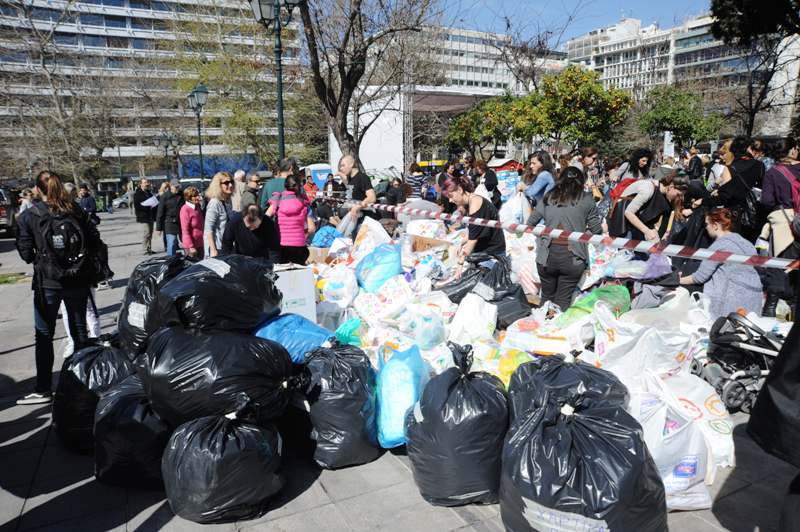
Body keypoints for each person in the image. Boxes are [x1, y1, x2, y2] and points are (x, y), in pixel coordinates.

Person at [15, 171, 102, 404]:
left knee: (44, 334)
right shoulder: (75, 210)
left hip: (48, 282)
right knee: (79, 330)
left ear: (37, 190)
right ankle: (85, 381)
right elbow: (93, 239)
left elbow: (25, 254)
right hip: (77, 280)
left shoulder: (29, 216)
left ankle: (44, 387)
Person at [527, 166, 603, 310]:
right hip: (572, 258)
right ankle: (554, 328)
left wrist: (545, 233)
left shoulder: (549, 196)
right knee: (562, 300)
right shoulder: (586, 198)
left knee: (546, 298)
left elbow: (530, 223)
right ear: (581, 181)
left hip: (546, 257)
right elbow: (597, 230)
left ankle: (542, 326)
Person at [679, 208, 763, 319]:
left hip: (731, 304)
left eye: (707, 224)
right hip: (754, 301)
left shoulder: (719, 245)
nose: (706, 228)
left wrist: (677, 280)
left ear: (715, 225)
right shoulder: (746, 243)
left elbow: (700, 277)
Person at [759, 137, 800, 316]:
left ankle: (772, 306)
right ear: (792, 150)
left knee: (778, 265)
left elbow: (767, 201)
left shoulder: (773, 173)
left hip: (784, 224)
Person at [443, 175, 505, 262]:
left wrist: (460, 264)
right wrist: (460, 243)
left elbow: (473, 240)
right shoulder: (471, 201)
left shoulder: (475, 203)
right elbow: (474, 232)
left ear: (460, 190)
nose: (450, 200)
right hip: (486, 251)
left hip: (493, 254)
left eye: (451, 196)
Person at [616, 172, 689, 241]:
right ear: (671, 187)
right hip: (621, 224)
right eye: (678, 195)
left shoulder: (665, 196)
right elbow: (629, 212)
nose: (680, 198)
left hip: (634, 227)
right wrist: (647, 231)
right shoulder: (648, 188)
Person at [268, 175, 316, 264]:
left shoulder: (277, 200)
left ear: (285, 186)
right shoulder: (304, 203)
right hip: (300, 247)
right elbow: (312, 229)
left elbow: (266, 218)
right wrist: (302, 237)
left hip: (282, 246)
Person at [338, 154, 376, 225]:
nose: (341, 168)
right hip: (354, 219)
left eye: (343, 165)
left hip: (364, 220)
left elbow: (372, 197)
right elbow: (350, 197)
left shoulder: (363, 177)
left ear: (351, 164)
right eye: (340, 166)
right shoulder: (349, 180)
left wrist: (357, 206)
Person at [204, 171, 234, 258]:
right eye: (226, 183)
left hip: (227, 246)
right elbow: (208, 229)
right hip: (217, 248)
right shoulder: (214, 203)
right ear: (218, 186)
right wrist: (213, 250)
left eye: (231, 182)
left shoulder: (227, 201)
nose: (230, 185)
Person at [155, 178, 183, 256]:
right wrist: (158, 228)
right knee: (172, 243)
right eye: (176, 187)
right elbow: (160, 212)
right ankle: (170, 260)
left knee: (185, 242)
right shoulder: (165, 196)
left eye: (178, 187)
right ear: (171, 186)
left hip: (181, 222)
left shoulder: (181, 194)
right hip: (169, 222)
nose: (177, 188)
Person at [179, 186, 204, 259]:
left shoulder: (197, 207)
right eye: (195, 196)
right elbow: (185, 231)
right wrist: (191, 246)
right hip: (192, 246)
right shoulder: (185, 209)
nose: (198, 197)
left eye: (198, 195)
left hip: (201, 243)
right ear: (189, 198)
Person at [133, 178, 157, 254]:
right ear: (141, 184)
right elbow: (137, 206)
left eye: (147, 182)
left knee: (150, 233)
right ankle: (145, 249)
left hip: (150, 215)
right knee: (146, 233)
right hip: (143, 216)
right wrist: (148, 206)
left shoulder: (149, 192)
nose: (147, 184)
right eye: (145, 182)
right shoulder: (137, 194)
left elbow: (152, 201)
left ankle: (149, 248)